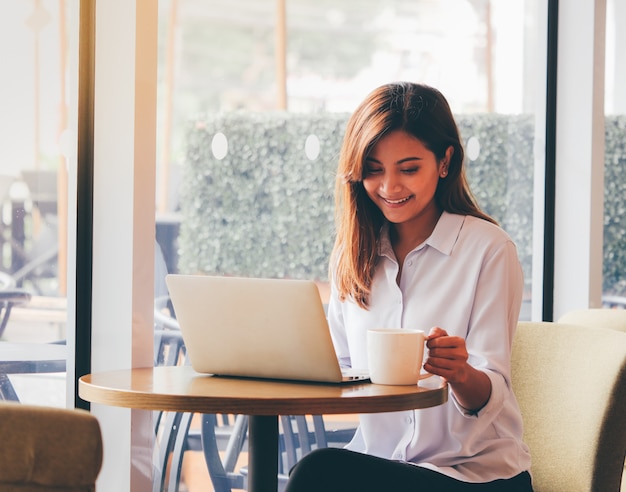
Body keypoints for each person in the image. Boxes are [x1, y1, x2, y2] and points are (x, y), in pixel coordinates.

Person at [284, 82, 533, 491]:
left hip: (477, 476)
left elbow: (490, 396)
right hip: (384, 467)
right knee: (312, 473)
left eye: (409, 168)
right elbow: (341, 372)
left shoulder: (488, 250)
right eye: (374, 169)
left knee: (315, 474)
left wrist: (460, 374)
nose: (390, 187)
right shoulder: (354, 255)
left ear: (445, 161)